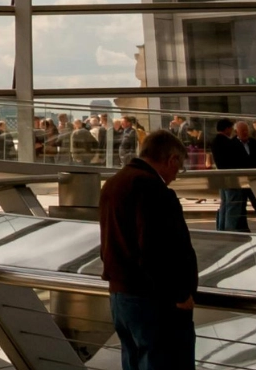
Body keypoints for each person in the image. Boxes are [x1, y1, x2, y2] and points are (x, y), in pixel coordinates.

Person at [100, 130, 197, 370]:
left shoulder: (114, 183)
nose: (176, 175)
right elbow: (156, 249)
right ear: (171, 159)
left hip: (121, 297)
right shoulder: (153, 190)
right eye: (179, 167)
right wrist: (180, 293)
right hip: (154, 302)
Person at [208, 119, 249, 232]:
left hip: (222, 176)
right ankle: (229, 229)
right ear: (226, 128)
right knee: (232, 204)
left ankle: (222, 229)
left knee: (224, 205)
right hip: (231, 177)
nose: (232, 131)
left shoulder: (215, 141)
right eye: (231, 128)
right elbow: (236, 158)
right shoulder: (227, 142)